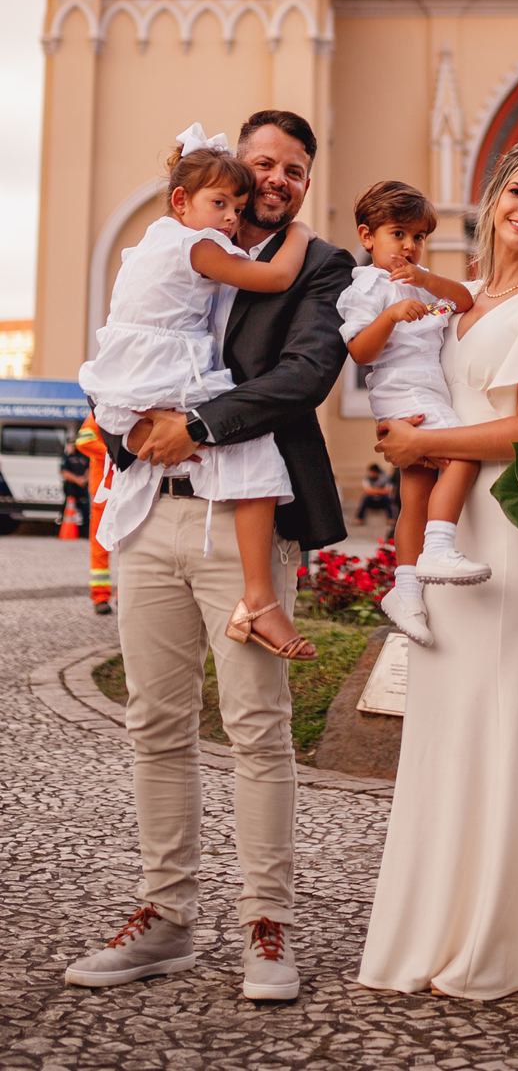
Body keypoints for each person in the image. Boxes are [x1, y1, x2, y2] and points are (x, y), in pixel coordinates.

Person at [65, 110, 354, 1004]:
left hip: (244, 525)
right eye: (264, 161)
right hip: (153, 516)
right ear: (236, 164)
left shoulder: (316, 264)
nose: (276, 178)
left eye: (294, 170)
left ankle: (268, 925)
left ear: (306, 182)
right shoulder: (181, 239)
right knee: (156, 724)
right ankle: (166, 918)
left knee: (259, 727)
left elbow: (305, 374)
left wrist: (193, 423)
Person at [359, 140, 518, 1000]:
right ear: (491, 198)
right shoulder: (462, 303)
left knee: (502, 710)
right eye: (517, 190)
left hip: (508, 531)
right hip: (445, 522)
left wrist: (425, 441)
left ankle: (506, 940)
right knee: (444, 717)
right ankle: (432, 926)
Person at [79, 124, 316, 660]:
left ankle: (254, 597)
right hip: (166, 374)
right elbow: (276, 278)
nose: (231, 217)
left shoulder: (150, 243)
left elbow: (304, 374)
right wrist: (299, 234)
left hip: (123, 376)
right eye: (221, 203)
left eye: (236, 206)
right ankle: (259, 600)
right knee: (255, 448)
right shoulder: (201, 245)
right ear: (182, 201)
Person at [337, 180, 480, 648]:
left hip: (426, 397)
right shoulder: (368, 288)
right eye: (398, 233)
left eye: (419, 237)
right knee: (464, 456)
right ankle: (438, 549)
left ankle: (405, 589)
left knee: (415, 495)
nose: (410, 245)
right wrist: (391, 316)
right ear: (367, 236)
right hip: (403, 396)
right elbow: (359, 351)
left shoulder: (420, 284)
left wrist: (426, 280)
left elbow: (464, 302)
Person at [74, 415, 115, 612]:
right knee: (100, 545)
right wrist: (115, 454)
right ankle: (100, 596)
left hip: (127, 490)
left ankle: (123, 595)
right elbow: (84, 441)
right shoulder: (100, 411)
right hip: (104, 491)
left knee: (132, 547)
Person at [60, 437, 91, 538]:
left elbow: (90, 468)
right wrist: (77, 480)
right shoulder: (66, 457)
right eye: (71, 444)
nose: (73, 446)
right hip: (71, 487)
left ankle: (86, 534)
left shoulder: (83, 456)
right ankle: (64, 532)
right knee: (68, 509)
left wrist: (84, 479)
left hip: (82, 486)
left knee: (85, 510)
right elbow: (64, 472)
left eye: (74, 444)